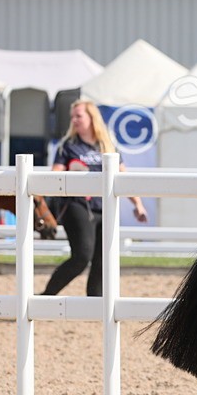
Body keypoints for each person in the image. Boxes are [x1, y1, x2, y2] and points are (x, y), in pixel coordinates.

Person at [42, 100, 147, 297]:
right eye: (73, 116)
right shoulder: (68, 146)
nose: (74, 120)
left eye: (78, 116)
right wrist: (71, 172)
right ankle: (46, 297)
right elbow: (54, 175)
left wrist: (137, 204)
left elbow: (122, 176)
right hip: (77, 205)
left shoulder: (107, 145)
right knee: (82, 256)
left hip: (104, 207)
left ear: (92, 118)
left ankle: (95, 304)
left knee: (102, 260)